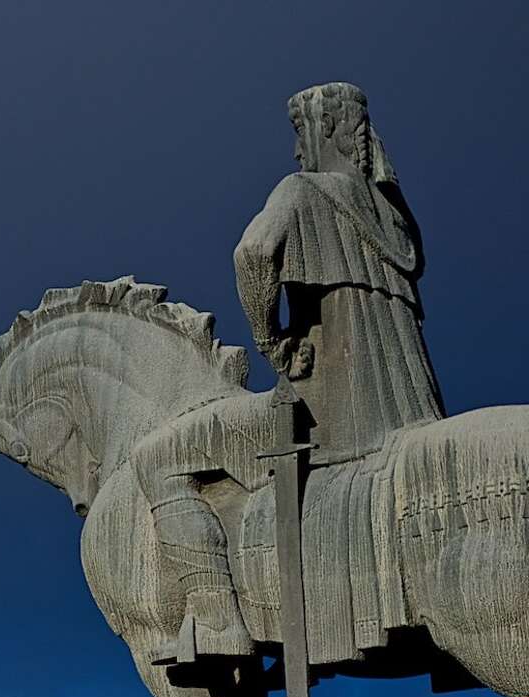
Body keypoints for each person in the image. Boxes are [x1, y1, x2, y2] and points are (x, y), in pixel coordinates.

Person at [134, 81, 444, 664]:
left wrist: (269, 340)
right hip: (408, 399)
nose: (298, 150)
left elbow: (252, 256)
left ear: (324, 129)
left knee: (155, 459)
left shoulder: (302, 191)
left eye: (302, 133)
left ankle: (219, 620)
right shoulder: (396, 221)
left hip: (328, 396)